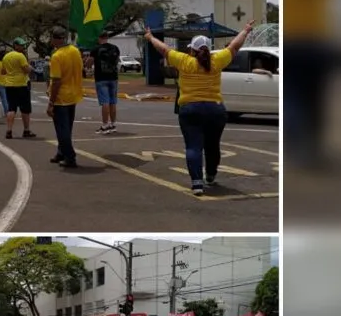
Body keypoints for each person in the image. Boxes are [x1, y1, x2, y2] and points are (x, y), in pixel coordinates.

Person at [143, 20, 254, 195]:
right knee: (213, 145)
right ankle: (210, 175)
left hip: (190, 109)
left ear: (192, 50)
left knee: (193, 147)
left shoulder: (185, 61)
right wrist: (245, 31)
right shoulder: (217, 61)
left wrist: (150, 37)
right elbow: (234, 46)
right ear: (208, 49)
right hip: (215, 110)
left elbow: (163, 49)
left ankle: (197, 183)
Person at [284, 0, 341, 168]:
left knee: (293, 99)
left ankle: (298, 144)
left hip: (292, 48)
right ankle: (311, 148)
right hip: (317, 47)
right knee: (315, 101)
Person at [46, 27, 83, 168]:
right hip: (73, 94)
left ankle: (70, 157)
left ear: (55, 39)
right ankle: (61, 152)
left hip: (61, 97)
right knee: (67, 128)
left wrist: (50, 102)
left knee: (62, 130)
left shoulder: (56, 56)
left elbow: (56, 81)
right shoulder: (75, 51)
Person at [1, 37, 37, 140]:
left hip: (9, 85)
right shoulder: (21, 56)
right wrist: (30, 68)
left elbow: (3, 71)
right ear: (16, 45)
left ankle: (9, 130)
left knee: (11, 108)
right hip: (21, 84)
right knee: (25, 109)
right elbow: (26, 70)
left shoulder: (6, 56)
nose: (23, 47)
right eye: (21, 45)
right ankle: (26, 130)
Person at [89, 31, 121, 134]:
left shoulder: (95, 49)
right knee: (113, 102)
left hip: (101, 78)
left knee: (105, 102)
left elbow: (89, 63)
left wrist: (86, 63)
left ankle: (105, 125)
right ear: (107, 37)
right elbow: (117, 61)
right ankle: (113, 124)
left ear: (99, 38)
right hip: (113, 77)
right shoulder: (115, 48)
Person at [0, 48, 9, 115]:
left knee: (4, 99)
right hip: (9, 82)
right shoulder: (8, 62)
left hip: (0, 82)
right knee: (9, 98)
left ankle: (7, 112)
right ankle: (11, 110)